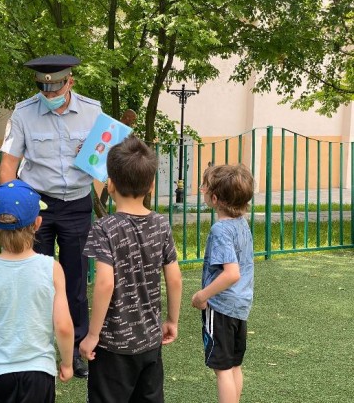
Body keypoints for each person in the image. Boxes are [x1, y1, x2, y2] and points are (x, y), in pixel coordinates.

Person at [0, 54, 102, 377]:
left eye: (56, 89)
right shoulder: (23, 113)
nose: (50, 96)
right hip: (36, 205)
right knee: (36, 279)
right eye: (44, 90)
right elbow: (7, 168)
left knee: (74, 282)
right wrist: (17, 208)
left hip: (77, 204)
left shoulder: (93, 111)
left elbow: (103, 164)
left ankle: (76, 349)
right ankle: (38, 347)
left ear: (70, 82)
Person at [79, 135, 183, 403]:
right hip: (149, 342)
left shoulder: (105, 228)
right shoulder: (161, 224)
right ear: (150, 186)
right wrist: (172, 320)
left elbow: (104, 283)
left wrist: (92, 335)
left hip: (112, 346)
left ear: (110, 184)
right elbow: (174, 278)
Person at [0, 179, 75, 403]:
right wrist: (66, 362)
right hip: (39, 373)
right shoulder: (52, 269)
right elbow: (63, 327)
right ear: (37, 223)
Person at [191, 163, 255, 403]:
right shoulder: (242, 223)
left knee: (223, 370)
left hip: (221, 307)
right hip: (241, 306)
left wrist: (202, 296)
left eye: (204, 187)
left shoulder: (220, 229)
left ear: (215, 198)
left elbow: (231, 273)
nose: (201, 189)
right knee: (234, 365)